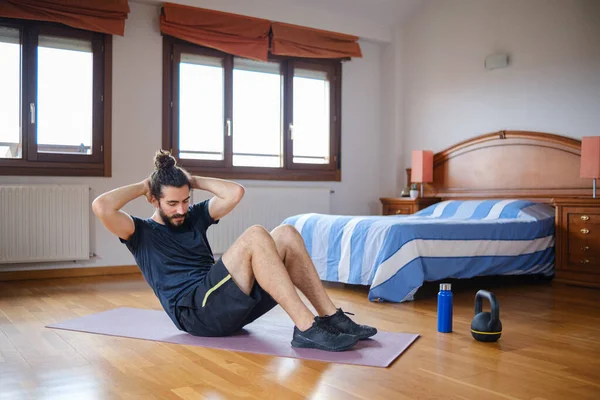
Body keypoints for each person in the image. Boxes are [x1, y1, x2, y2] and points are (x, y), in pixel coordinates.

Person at [92, 150, 377, 352]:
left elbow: (235, 193)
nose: (181, 210)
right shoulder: (139, 232)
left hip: (224, 303)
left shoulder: (193, 216)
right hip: (197, 312)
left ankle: (331, 317)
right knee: (255, 235)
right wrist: (145, 184)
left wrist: (192, 180)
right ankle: (306, 329)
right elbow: (101, 206)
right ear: (153, 200)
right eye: (172, 204)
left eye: (185, 200)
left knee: (287, 234)